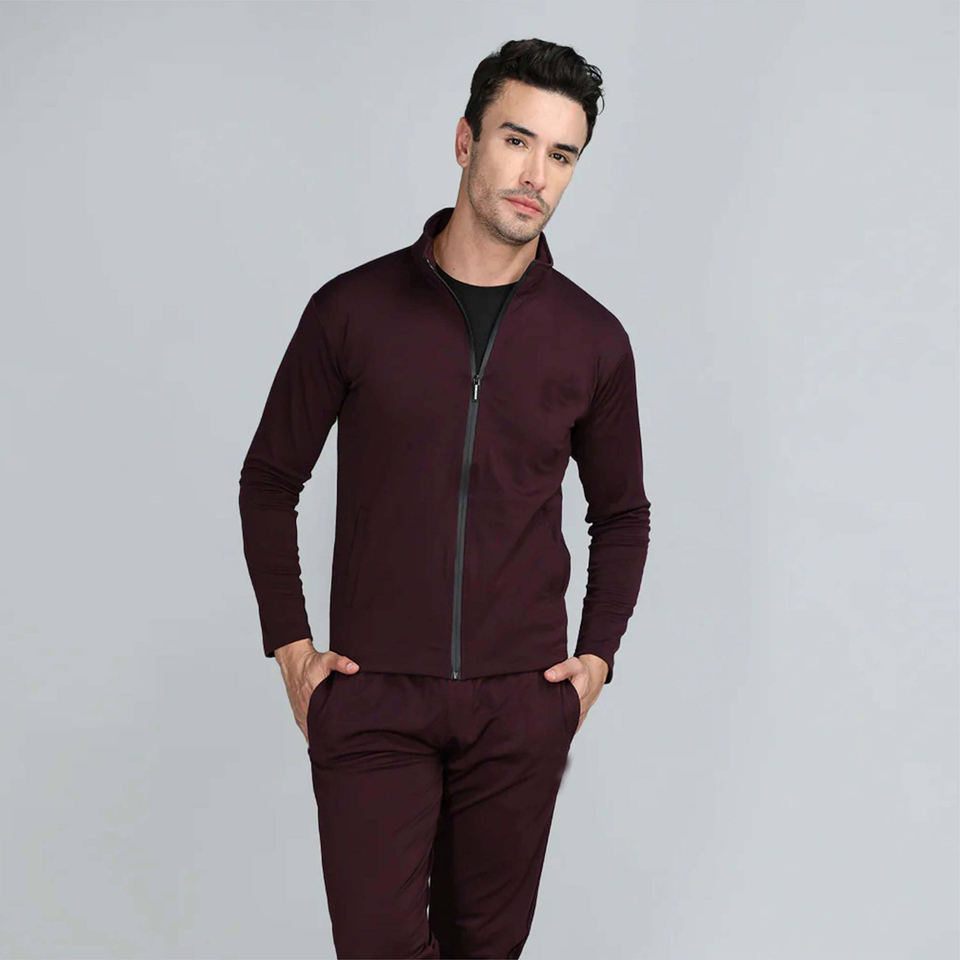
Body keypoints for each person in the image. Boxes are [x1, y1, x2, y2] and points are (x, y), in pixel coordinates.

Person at [238, 37, 652, 960]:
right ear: (466, 141)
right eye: (516, 139)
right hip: (373, 695)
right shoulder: (352, 311)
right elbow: (270, 479)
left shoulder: (592, 340)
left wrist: (595, 659)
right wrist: (292, 647)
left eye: (562, 154)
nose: (535, 174)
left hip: (520, 704)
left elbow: (622, 514)